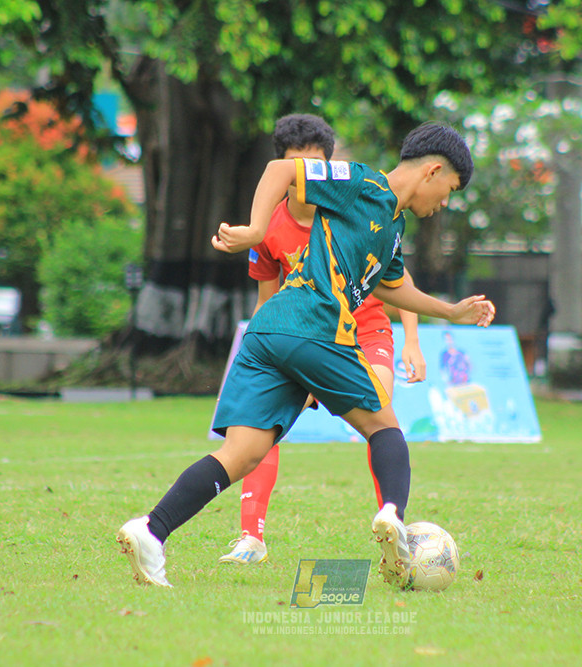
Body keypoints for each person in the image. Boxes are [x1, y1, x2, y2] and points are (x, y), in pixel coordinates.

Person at [117, 121, 495, 589]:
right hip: (314, 325)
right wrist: (257, 230)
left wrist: (450, 312)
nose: (444, 203)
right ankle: (396, 521)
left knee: (243, 453)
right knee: (384, 425)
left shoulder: (391, 228)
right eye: (450, 190)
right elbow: (280, 169)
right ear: (433, 171)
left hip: (269, 332)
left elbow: (395, 287)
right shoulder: (361, 181)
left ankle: (152, 531)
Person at [219, 114, 427, 565]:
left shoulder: (350, 202)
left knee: (379, 415)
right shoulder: (270, 226)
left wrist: (411, 339)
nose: (305, 175)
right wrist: (264, 356)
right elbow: (266, 298)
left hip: (365, 328)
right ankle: (250, 537)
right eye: (296, 165)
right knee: (261, 429)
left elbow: (396, 277)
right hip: (302, 333)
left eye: (314, 164)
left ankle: (393, 527)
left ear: (327, 166)